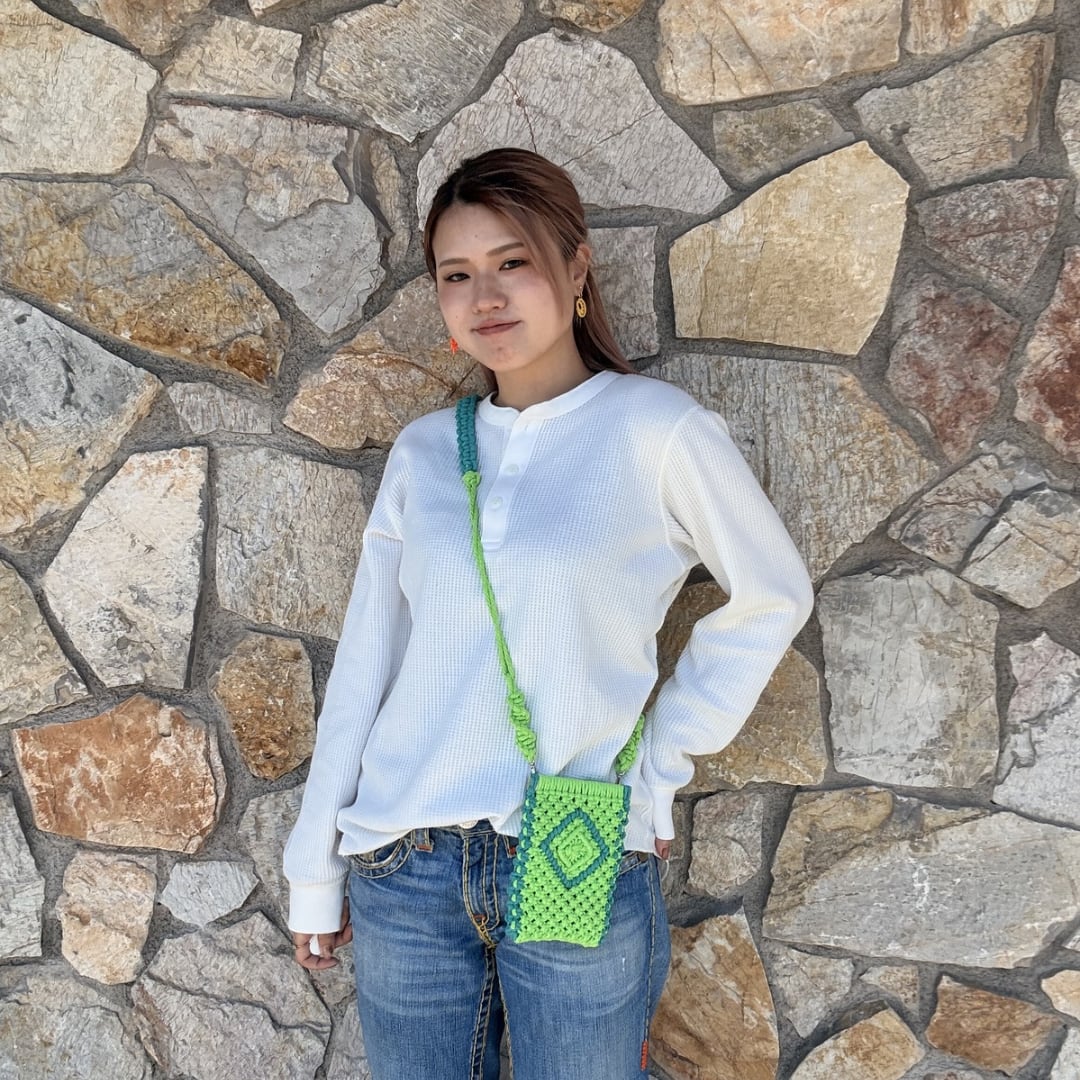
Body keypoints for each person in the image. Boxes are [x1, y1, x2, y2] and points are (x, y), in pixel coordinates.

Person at [284, 147, 814, 1079]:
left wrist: (657, 767)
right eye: (457, 274)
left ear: (576, 270)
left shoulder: (656, 430)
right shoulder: (422, 454)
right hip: (404, 865)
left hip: (575, 845)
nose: (484, 295)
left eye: (512, 262)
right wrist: (314, 868)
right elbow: (369, 661)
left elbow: (774, 593)